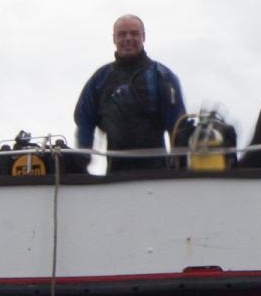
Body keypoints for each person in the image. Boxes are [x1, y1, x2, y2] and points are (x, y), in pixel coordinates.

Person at [71, 14, 186, 175]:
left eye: (134, 33)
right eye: (122, 34)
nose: (128, 38)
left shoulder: (161, 76)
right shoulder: (100, 79)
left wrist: (181, 169)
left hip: (158, 176)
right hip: (115, 176)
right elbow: (84, 120)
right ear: (114, 39)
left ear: (143, 37)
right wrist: (82, 161)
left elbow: (178, 127)